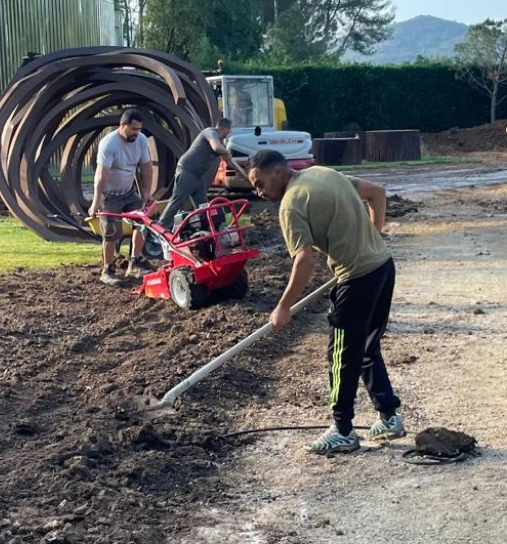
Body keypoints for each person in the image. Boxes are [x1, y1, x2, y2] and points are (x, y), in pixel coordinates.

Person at [247, 149, 406, 455]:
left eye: (259, 183)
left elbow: (304, 261)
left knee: (341, 354)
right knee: (367, 347)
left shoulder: (290, 205)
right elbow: (377, 194)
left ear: (278, 172)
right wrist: (373, 238)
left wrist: (283, 306)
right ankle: (389, 418)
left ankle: (342, 430)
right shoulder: (324, 173)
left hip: (357, 278)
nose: (259, 191)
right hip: (383, 267)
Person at [90, 108, 155, 285]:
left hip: (128, 193)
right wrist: (96, 201)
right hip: (108, 196)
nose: (137, 133)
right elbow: (101, 175)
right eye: (133, 129)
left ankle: (135, 262)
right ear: (122, 126)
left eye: (139, 129)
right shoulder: (109, 144)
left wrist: (147, 193)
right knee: (110, 233)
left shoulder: (140, 140)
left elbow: (147, 167)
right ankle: (108, 270)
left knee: (141, 223)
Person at [159, 118, 249, 229]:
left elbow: (229, 160)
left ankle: (209, 231)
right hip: (187, 170)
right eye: (228, 131)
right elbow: (216, 147)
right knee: (177, 201)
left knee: (204, 207)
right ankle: (161, 228)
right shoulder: (210, 132)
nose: (228, 134)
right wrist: (226, 152)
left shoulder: (220, 143)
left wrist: (244, 175)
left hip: (198, 177)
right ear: (225, 129)